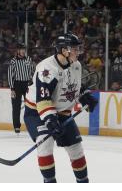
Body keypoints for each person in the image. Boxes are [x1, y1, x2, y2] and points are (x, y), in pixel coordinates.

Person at [24, 33, 98, 183]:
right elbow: (43, 100)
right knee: (45, 145)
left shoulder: (76, 65)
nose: (78, 51)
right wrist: (51, 121)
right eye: (75, 48)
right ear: (64, 50)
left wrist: (84, 95)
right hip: (37, 112)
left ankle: (83, 183)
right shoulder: (47, 69)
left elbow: (73, 85)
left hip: (62, 112)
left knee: (76, 149)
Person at [8, 43, 35, 134]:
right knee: (16, 106)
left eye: (24, 49)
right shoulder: (13, 61)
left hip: (27, 84)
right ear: (18, 51)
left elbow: (33, 71)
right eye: (21, 49)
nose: (23, 51)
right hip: (17, 85)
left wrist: (32, 83)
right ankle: (16, 126)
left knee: (31, 105)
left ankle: (31, 125)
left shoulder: (28, 59)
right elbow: (10, 75)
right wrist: (12, 89)